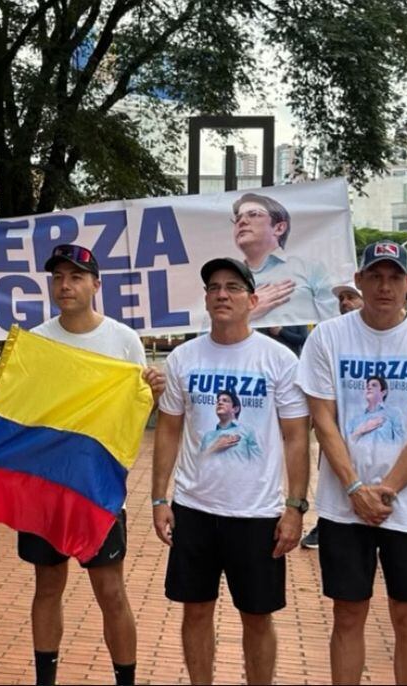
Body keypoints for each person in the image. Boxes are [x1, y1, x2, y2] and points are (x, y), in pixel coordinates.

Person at [297, 240, 407, 685]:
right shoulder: (328, 337)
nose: (384, 286)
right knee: (347, 614)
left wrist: (384, 489)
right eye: (375, 276)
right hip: (342, 504)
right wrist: (354, 488)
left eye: (394, 277)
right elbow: (323, 420)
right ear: (359, 281)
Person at [152, 257, 310, 684]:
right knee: (196, 610)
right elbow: (168, 431)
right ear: (206, 299)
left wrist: (294, 507)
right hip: (195, 509)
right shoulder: (184, 358)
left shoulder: (278, 360)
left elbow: (297, 437)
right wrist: (159, 498)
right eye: (214, 288)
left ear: (252, 300)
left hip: (256, 513)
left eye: (234, 288)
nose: (222, 294)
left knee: (257, 617)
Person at [22, 243, 164, 686]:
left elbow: (134, 414)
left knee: (110, 590)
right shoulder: (37, 340)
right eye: (58, 277)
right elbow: (23, 409)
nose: (66, 285)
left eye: (76, 277)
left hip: (97, 485)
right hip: (45, 484)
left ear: (95, 285)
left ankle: (126, 680)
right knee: (47, 587)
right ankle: (45, 679)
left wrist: (152, 392)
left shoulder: (122, 340)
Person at [302, 282, 367, 552]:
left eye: (351, 297)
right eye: (342, 298)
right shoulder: (329, 336)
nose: (345, 303)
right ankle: (324, 523)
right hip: (335, 435)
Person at [228, 192, 339, 326]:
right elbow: (208, 330)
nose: (242, 222)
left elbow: (333, 325)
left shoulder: (309, 269)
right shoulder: (225, 278)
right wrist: (246, 313)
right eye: (238, 218)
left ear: (279, 228)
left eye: (254, 214)